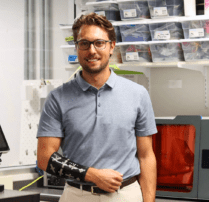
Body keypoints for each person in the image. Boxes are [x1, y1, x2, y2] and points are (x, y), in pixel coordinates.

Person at [37, 13, 157, 202]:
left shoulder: (138, 94)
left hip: (125, 194)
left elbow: (146, 156)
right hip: (76, 195)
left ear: (112, 46)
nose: (91, 50)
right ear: (76, 47)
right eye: (84, 43)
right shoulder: (57, 98)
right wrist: (92, 175)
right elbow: (44, 157)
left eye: (99, 43)